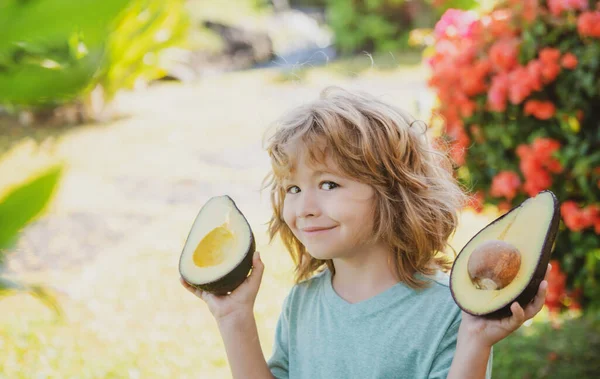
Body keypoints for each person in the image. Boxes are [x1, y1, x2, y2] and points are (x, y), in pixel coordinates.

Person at [181, 86, 550, 379]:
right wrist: (234, 319)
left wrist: (475, 341)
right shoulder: (303, 302)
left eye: (328, 184)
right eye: (292, 189)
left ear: (395, 193)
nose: (304, 206)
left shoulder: (450, 312)